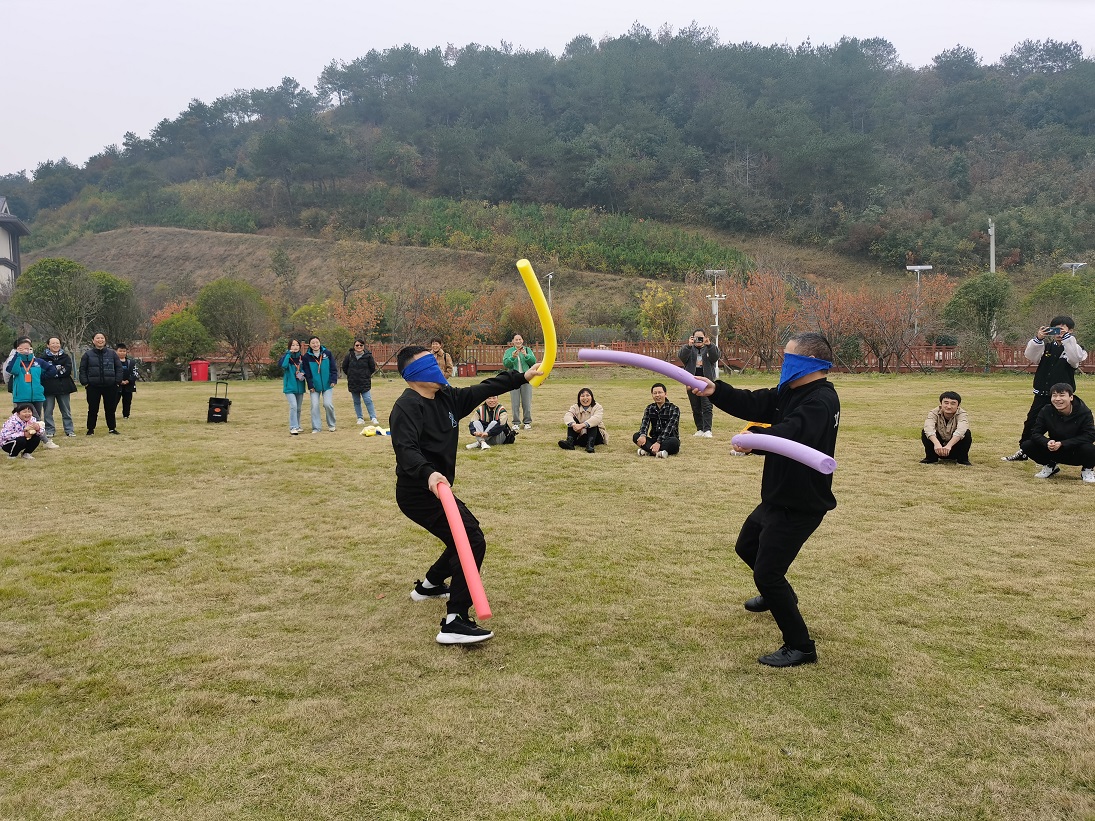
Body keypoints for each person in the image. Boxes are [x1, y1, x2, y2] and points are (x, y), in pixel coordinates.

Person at [694, 331, 839, 668]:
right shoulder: (791, 390)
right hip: (778, 496)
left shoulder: (821, 401)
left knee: (768, 573)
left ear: (809, 362)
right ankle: (780, 596)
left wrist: (753, 439)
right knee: (747, 546)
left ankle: (800, 646)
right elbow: (756, 402)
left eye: (789, 358)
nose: (783, 363)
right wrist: (716, 390)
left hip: (800, 504)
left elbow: (791, 432)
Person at [391, 345, 542, 644]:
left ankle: (430, 585)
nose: (437, 367)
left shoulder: (447, 397)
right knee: (471, 539)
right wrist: (428, 474)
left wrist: (521, 377)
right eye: (428, 364)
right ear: (413, 374)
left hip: (440, 490)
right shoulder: (406, 407)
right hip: (419, 493)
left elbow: (484, 388)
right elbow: (406, 449)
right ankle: (455, 621)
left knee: (461, 537)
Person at [1003, 315, 1088, 462]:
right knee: (1031, 422)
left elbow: (1074, 359)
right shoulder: (1046, 347)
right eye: (1055, 329)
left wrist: (1067, 339)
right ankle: (1025, 450)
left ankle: (1065, 452)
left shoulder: (1075, 348)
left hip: (1062, 396)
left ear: (1071, 331)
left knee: (1063, 425)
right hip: (1042, 393)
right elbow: (1031, 356)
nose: (1058, 333)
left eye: (1062, 329)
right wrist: (1038, 338)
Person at [1020, 382, 1095, 483]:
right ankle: (1050, 466)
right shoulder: (1046, 410)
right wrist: (1047, 442)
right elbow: (1035, 433)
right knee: (1027, 445)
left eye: (1062, 395)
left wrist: (1063, 443)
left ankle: (1088, 469)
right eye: (1054, 395)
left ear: (1071, 397)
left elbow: (1090, 435)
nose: (1057, 399)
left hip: (1076, 449)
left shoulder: (1084, 412)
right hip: (1054, 449)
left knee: (1090, 449)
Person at [4, 337, 55, 432]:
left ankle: (35, 436)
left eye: (27, 348)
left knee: (36, 417)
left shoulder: (38, 362)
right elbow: (12, 370)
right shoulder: (16, 361)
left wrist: (41, 377)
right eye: (22, 348)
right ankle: (41, 437)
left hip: (37, 395)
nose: (25, 350)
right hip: (22, 396)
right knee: (32, 418)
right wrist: (17, 355)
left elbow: (52, 370)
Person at [79, 332, 123, 435]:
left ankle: (112, 428)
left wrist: (117, 381)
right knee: (93, 408)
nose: (100, 340)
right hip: (93, 386)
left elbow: (119, 368)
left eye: (102, 338)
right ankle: (90, 429)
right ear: (93, 341)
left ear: (105, 340)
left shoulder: (112, 354)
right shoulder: (87, 355)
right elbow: (82, 370)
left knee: (110, 408)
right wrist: (85, 383)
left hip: (110, 385)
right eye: (97, 338)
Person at [679, 330, 721, 437]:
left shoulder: (709, 348)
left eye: (701, 338)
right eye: (696, 338)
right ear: (692, 338)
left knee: (707, 406)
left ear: (705, 337)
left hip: (706, 381)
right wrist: (688, 346)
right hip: (691, 381)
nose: (698, 340)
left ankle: (707, 430)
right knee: (695, 406)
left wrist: (710, 345)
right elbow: (681, 357)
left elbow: (715, 357)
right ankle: (700, 429)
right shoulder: (689, 349)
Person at [921, 390, 972, 465]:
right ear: (941, 404)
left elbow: (961, 430)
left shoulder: (962, 414)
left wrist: (949, 446)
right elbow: (928, 427)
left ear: (958, 405)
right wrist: (937, 444)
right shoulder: (933, 413)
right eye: (946, 403)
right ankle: (931, 458)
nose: (949, 406)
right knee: (925, 432)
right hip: (937, 449)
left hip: (953, 449)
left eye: (953, 403)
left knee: (966, 433)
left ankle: (963, 459)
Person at [41, 337, 77, 443]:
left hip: (63, 387)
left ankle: (69, 430)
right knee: (48, 411)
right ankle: (49, 430)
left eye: (57, 343)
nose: (55, 345)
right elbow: (44, 372)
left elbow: (67, 370)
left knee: (66, 411)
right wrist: (57, 369)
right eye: (53, 343)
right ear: (48, 345)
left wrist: (53, 371)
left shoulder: (65, 357)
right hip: (48, 388)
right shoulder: (43, 358)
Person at [633, 383, 681, 458]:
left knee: (674, 442)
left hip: (668, 439)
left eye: (660, 392)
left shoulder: (674, 409)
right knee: (636, 436)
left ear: (665, 394)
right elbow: (644, 424)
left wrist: (659, 442)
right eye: (655, 393)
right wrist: (643, 435)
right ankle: (659, 453)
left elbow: (669, 428)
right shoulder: (649, 408)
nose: (657, 395)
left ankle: (648, 450)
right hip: (654, 439)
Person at [302, 335, 338, 433]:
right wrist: (310, 385)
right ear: (309, 345)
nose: (315, 345)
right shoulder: (306, 357)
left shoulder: (327, 353)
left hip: (327, 384)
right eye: (313, 343)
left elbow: (333, 368)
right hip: (314, 386)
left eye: (317, 342)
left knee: (328, 404)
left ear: (320, 343)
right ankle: (316, 427)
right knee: (314, 406)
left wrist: (333, 380)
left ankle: (331, 424)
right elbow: (307, 373)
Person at [502, 333, 536, 430]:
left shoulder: (528, 350)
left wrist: (526, 355)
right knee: (515, 402)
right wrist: (512, 357)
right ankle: (516, 422)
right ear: (513, 341)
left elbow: (533, 362)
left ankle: (527, 422)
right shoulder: (509, 351)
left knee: (527, 402)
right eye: (516, 340)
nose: (518, 341)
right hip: (514, 378)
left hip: (526, 378)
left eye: (520, 339)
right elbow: (506, 364)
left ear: (522, 340)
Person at [559, 387, 607, 453]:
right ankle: (570, 442)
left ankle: (590, 445)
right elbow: (567, 415)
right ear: (579, 398)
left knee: (592, 422)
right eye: (582, 396)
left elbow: (597, 418)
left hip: (596, 436)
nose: (585, 398)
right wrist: (574, 424)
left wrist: (582, 425)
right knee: (572, 420)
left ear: (592, 397)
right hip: (581, 435)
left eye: (587, 395)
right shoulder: (575, 407)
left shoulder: (598, 407)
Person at [342, 339, 379, 426]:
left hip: (364, 382)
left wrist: (366, 375)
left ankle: (373, 417)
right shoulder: (349, 356)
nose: (359, 347)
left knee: (368, 400)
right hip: (353, 382)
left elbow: (372, 368)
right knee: (356, 401)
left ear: (363, 346)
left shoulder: (368, 356)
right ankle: (360, 418)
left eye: (361, 345)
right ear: (354, 346)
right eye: (357, 345)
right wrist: (351, 375)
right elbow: (344, 367)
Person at [279, 339, 307, 435]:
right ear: (289, 347)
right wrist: (288, 354)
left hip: (300, 386)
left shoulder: (302, 358)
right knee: (293, 406)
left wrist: (302, 373)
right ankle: (293, 427)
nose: (295, 347)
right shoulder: (287, 357)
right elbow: (284, 366)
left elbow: (306, 369)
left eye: (297, 345)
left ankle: (298, 425)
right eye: (293, 345)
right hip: (289, 387)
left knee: (298, 408)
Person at [116, 343, 138, 420]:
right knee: (114, 401)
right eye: (120, 351)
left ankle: (126, 415)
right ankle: (111, 415)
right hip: (117, 386)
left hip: (128, 386)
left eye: (124, 351)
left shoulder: (131, 362)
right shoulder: (113, 362)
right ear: (116, 351)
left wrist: (128, 381)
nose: (122, 353)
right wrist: (119, 381)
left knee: (127, 401)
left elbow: (135, 373)